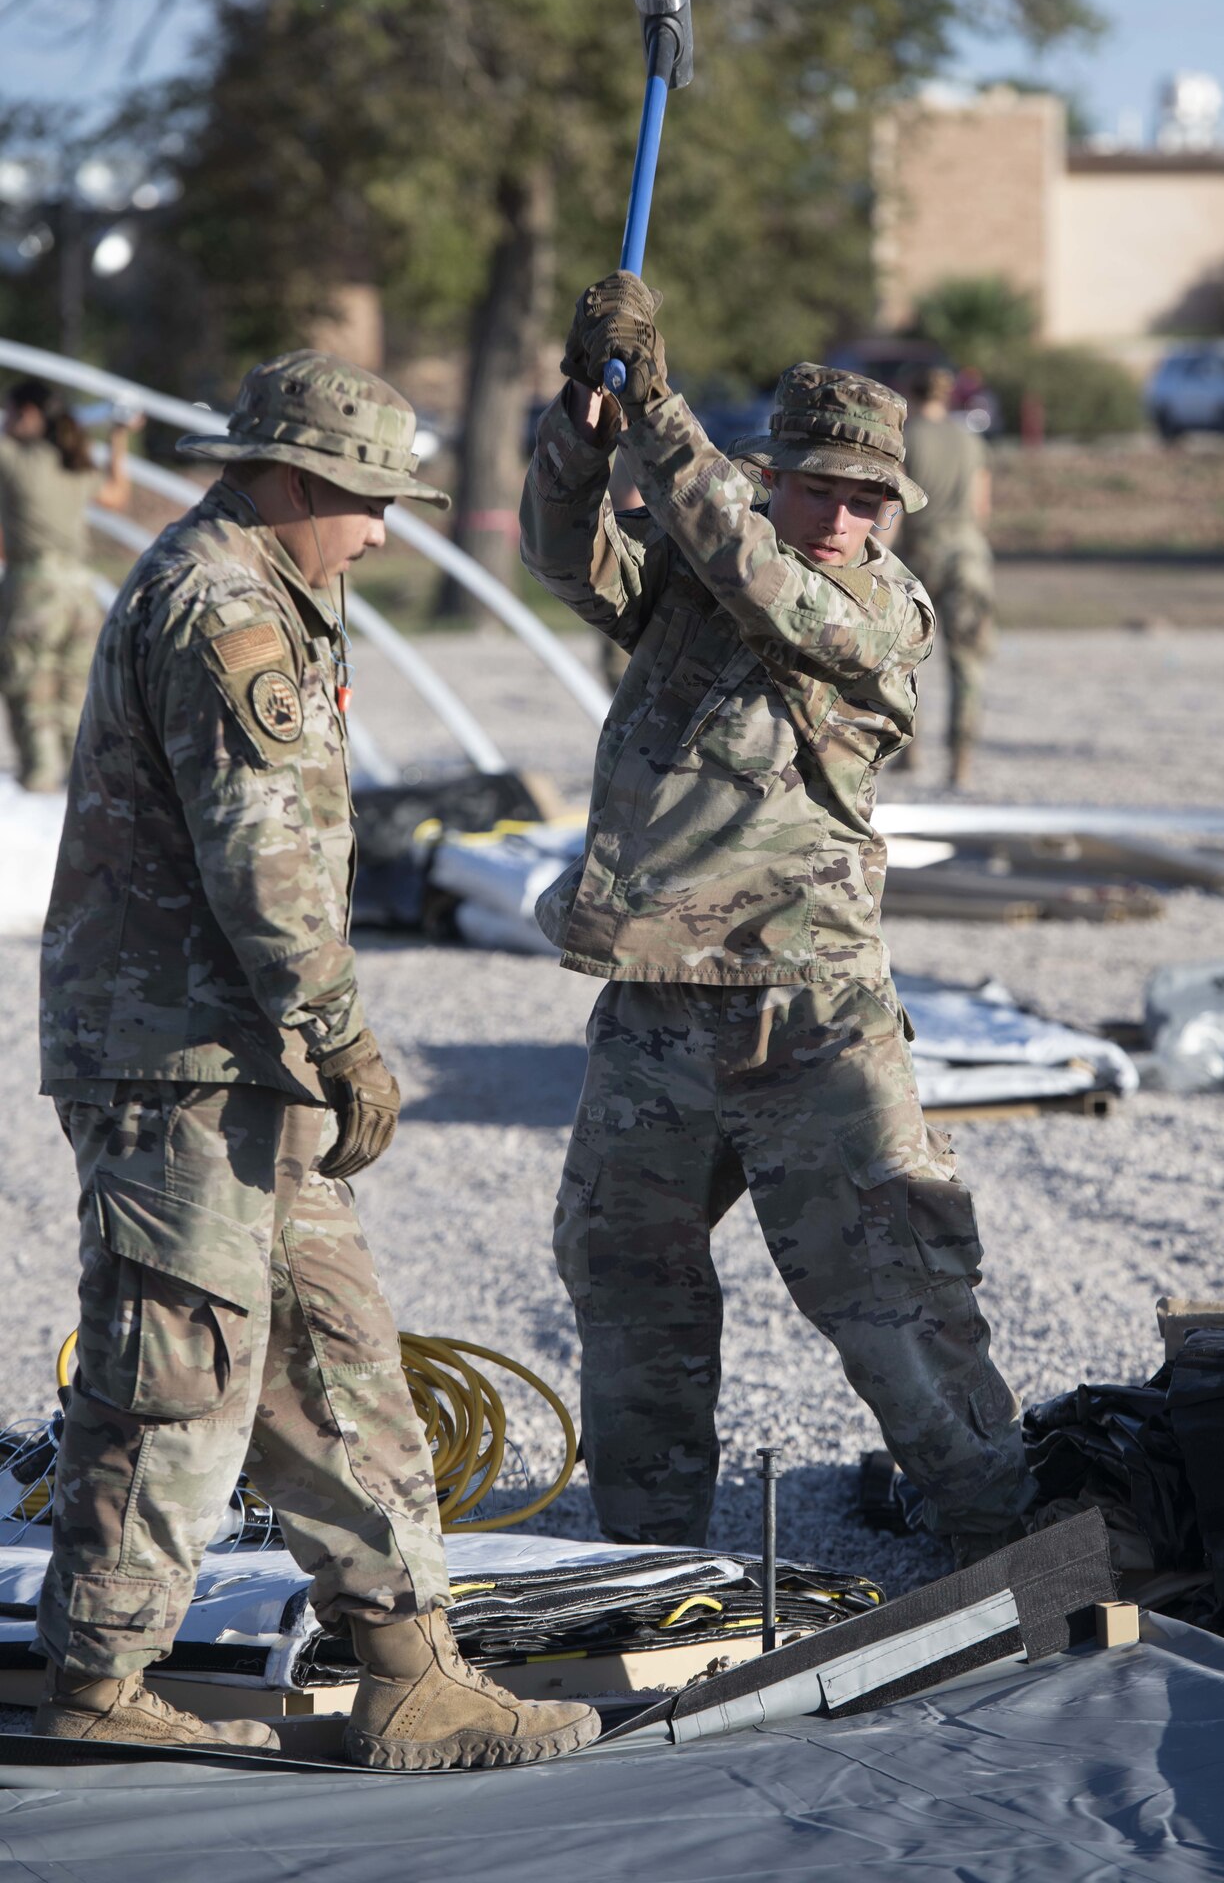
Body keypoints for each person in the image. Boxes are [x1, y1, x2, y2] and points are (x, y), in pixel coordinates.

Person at [35, 350, 598, 1769]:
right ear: (286, 477)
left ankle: (411, 1671)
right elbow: (263, 860)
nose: (382, 529)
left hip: (236, 1061)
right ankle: (101, 1683)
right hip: (184, 1064)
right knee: (184, 1372)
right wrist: (344, 1037)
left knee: (337, 1366)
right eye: (362, 498)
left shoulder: (275, 588)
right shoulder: (224, 604)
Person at [520, 274, 1036, 1566]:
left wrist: (659, 412)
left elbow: (766, 588)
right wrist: (579, 445)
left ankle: (1012, 1551)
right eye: (822, 492)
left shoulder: (879, 610)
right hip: (659, 995)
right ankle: (644, 1560)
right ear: (776, 481)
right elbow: (566, 561)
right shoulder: (704, 568)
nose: (847, 520)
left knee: (889, 1295)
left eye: (870, 501)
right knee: (624, 1275)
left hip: (802, 1007)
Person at [0, 379, 134, 791]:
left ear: (28, 414)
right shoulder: (75, 463)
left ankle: (38, 783)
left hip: (33, 589)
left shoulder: (13, 457)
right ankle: (78, 789)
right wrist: (119, 437)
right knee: (73, 699)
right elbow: (116, 495)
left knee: (30, 692)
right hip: (80, 592)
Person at [895, 366, 995, 789]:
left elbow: (893, 509)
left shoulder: (903, 438)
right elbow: (981, 507)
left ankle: (908, 750)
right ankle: (962, 762)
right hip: (970, 554)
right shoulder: (971, 439)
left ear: (909, 393)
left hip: (921, 553)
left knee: (903, 659)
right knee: (967, 661)